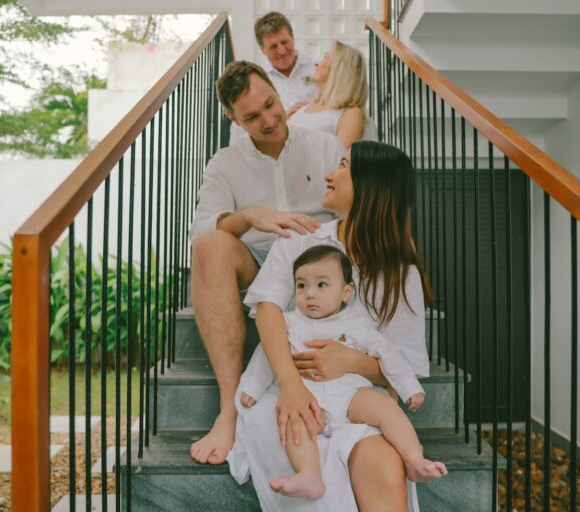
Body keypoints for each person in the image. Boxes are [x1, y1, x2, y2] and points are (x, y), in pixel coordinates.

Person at [228, 141, 433, 511]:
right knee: (320, 487)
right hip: (291, 392)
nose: (329, 174)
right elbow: (268, 308)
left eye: (342, 166)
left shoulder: (401, 275)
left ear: (371, 187)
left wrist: (350, 360)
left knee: (387, 471)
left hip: (358, 402)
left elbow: (404, 370)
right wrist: (290, 385)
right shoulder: (301, 240)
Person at [187, 60, 345, 466]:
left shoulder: (325, 146)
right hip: (258, 261)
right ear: (232, 118)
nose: (270, 120)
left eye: (271, 105)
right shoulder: (224, 163)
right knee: (210, 246)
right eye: (252, 117)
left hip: (321, 259)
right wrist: (250, 215)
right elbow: (202, 228)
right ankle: (228, 411)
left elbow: (356, 203)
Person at [237, 245, 446, 499]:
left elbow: (388, 355)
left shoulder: (357, 324)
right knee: (296, 424)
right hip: (310, 398)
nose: (309, 294)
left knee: (386, 408)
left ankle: (414, 460)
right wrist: (251, 388)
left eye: (321, 285)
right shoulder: (289, 322)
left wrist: (410, 388)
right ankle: (309, 474)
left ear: (346, 292)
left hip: (350, 395)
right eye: (301, 286)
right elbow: (266, 356)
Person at [229, 12, 318, 144]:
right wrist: (283, 119)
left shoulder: (318, 67)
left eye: (284, 42)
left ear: (293, 39)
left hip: (315, 138)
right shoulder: (255, 80)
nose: (281, 50)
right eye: (273, 46)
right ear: (263, 50)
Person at [288, 41, 377, 148]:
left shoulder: (349, 113)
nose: (316, 63)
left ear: (338, 69)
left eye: (325, 57)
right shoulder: (302, 109)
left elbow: (341, 162)